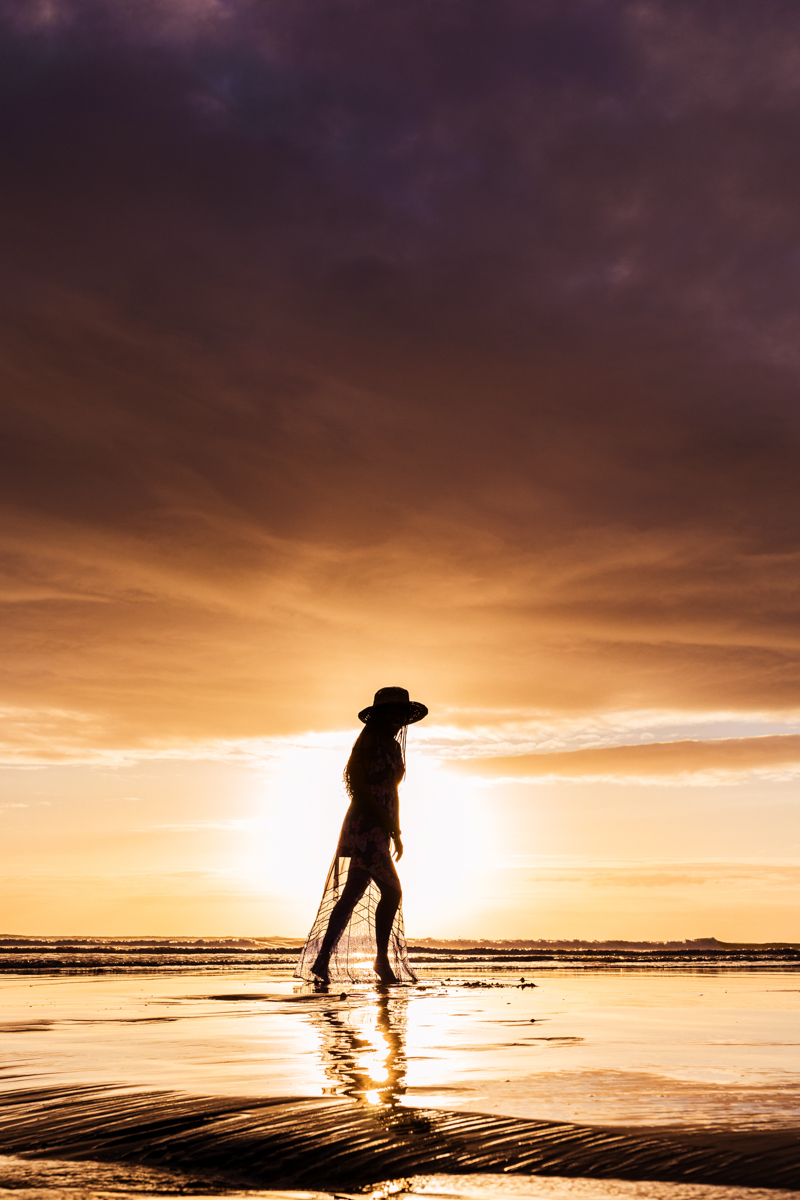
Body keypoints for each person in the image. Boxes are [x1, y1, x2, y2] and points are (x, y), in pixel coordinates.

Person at [295, 686, 428, 986]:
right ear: (380, 715)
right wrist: (384, 821)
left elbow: (392, 792)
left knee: (351, 897)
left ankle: (322, 960)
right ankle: (380, 962)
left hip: (382, 828)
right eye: (392, 712)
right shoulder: (368, 741)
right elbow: (359, 788)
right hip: (364, 826)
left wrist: (396, 830)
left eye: (401, 713)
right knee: (391, 891)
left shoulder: (394, 748)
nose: (397, 718)